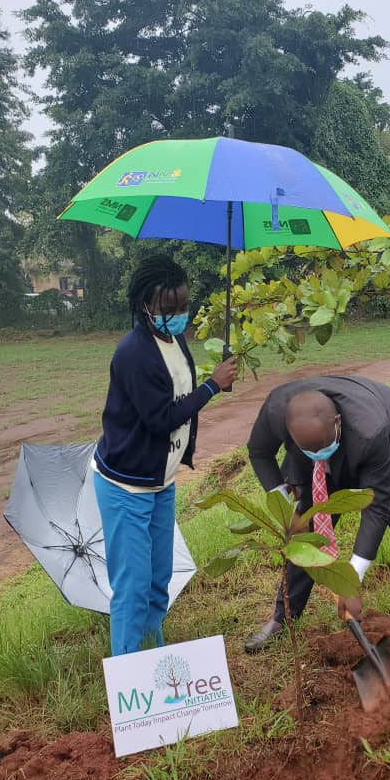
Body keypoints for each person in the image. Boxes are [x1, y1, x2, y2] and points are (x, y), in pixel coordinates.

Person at [243, 375, 390, 677]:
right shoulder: (276, 410)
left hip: (389, 437)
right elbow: (259, 453)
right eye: (310, 450)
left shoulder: (374, 430)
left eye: (323, 449)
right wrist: (287, 509)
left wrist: (350, 582)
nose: (319, 456)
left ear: (337, 422)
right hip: (319, 446)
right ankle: (282, 617)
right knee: (308, 528)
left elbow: (376, 508)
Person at [94, 255, 237, 656]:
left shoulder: (175, 340)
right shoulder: (134, 353)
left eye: (181, 307)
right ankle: (128, 676)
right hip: (126, 486)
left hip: (161, 482)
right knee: (133, 587)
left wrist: (215, 382)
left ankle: (151, 653)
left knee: (158, 581)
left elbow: (178, 392)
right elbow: (160, 419)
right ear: (145, 305)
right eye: (167, 309)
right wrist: (211, 387)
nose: (176, 316)